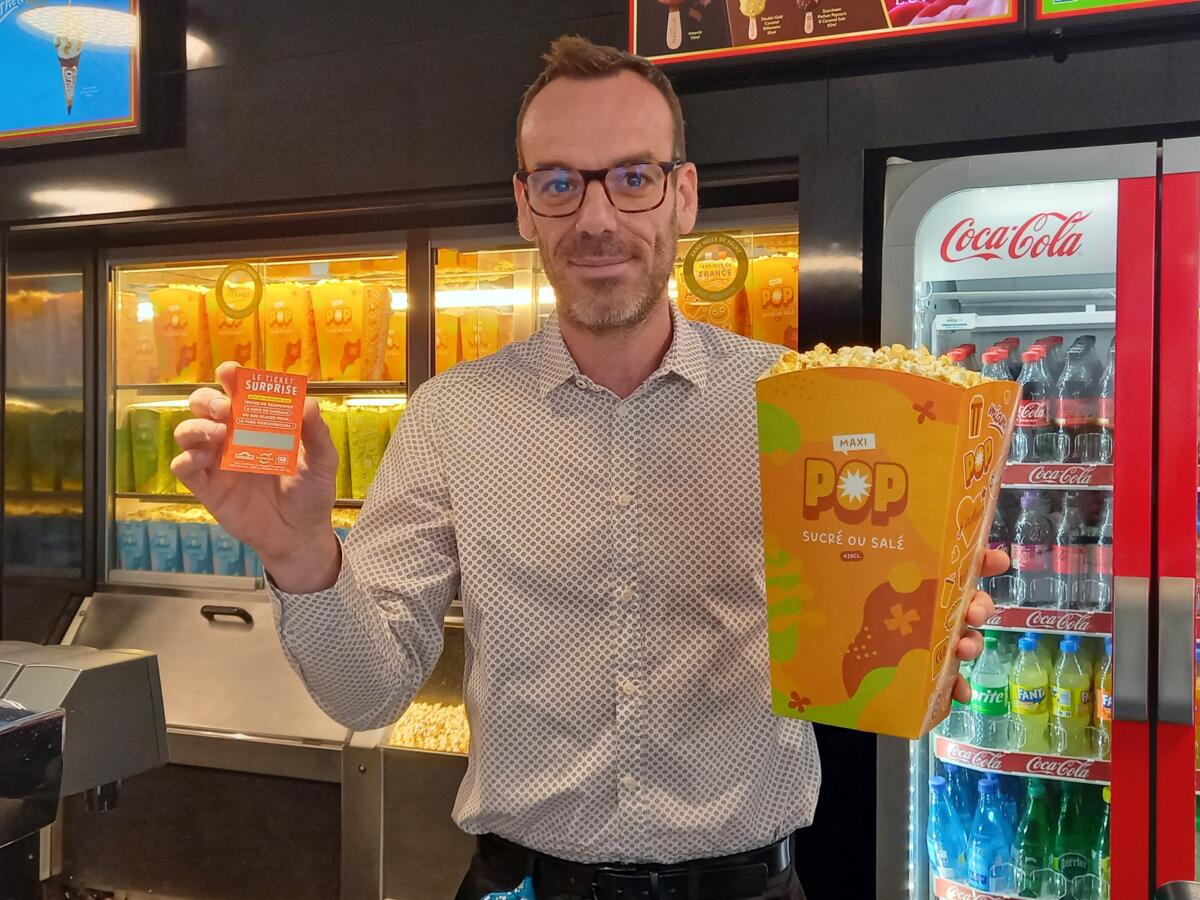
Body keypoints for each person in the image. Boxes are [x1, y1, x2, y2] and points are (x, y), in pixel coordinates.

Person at [171, 36, 1004, 900]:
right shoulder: (453, 416)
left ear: (683, 195)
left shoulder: (800, 408)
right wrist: (303, 557)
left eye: (633, 177)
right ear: (527, 207)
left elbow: (863, 661)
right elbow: (368, 693)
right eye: (561, 183)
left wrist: (922, 642)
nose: (597, 219)